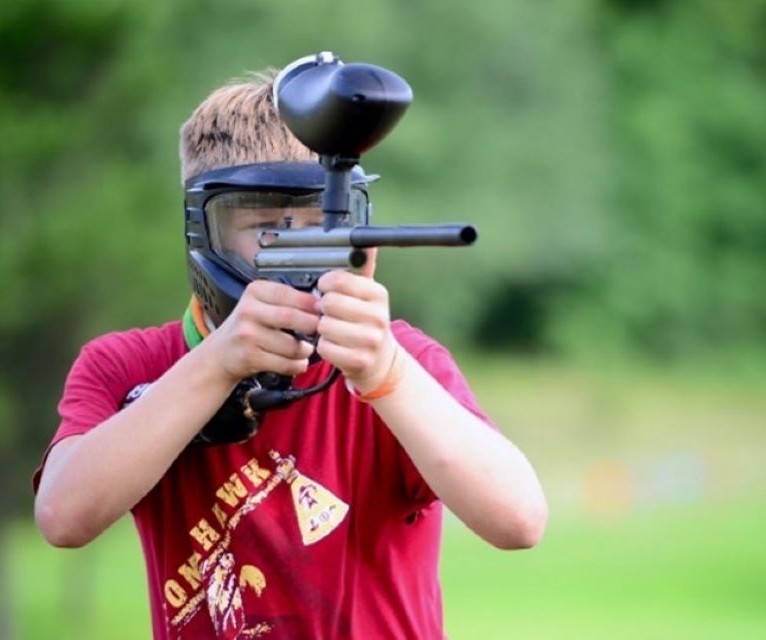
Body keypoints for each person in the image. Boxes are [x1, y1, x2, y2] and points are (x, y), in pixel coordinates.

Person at [33, 69, 548, 640]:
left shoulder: (398, 363)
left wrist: (387, 375)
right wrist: (219, 363)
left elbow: (519, 520)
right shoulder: (128, 365)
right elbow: (63, 516)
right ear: (205, 231)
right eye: (267, 229)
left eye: (318, 225)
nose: (301, 252)